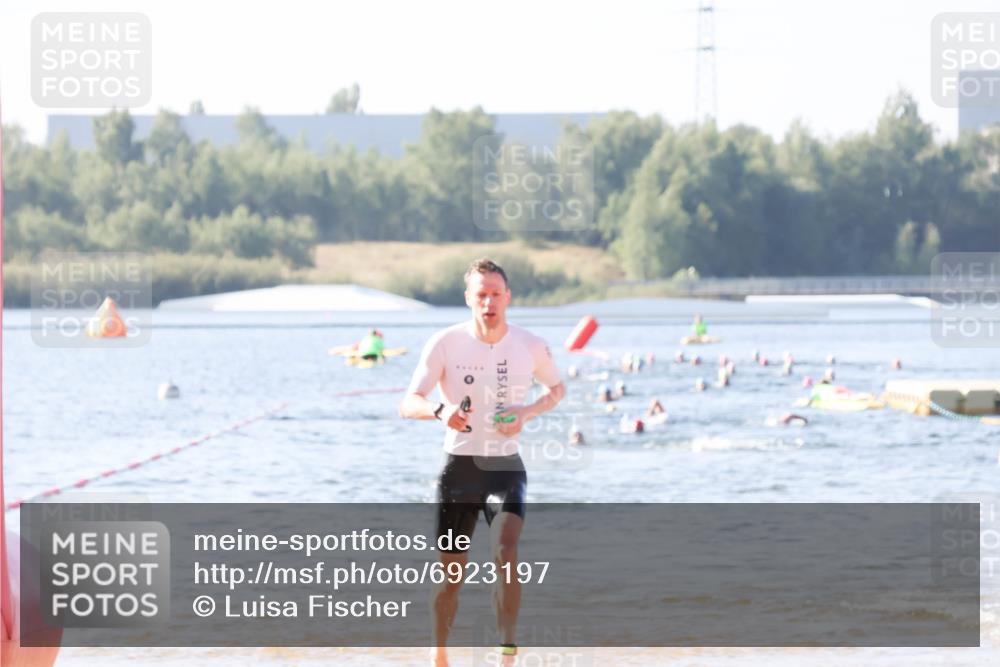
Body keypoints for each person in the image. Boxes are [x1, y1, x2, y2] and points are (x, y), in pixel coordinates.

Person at [399, 258, 565, 667]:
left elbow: (558, 388)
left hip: (506, 468)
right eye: (481, 295)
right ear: (468, 299)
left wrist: (526, 413)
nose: (489, 302)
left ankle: (507, 652)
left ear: (507, 297)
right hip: (459, 469)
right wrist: (441, 411)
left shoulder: (530, 344)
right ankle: (439, 654)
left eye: (496, 294)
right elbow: (408, 402)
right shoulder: (445, 342)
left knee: (506, 553)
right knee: (450, 577)